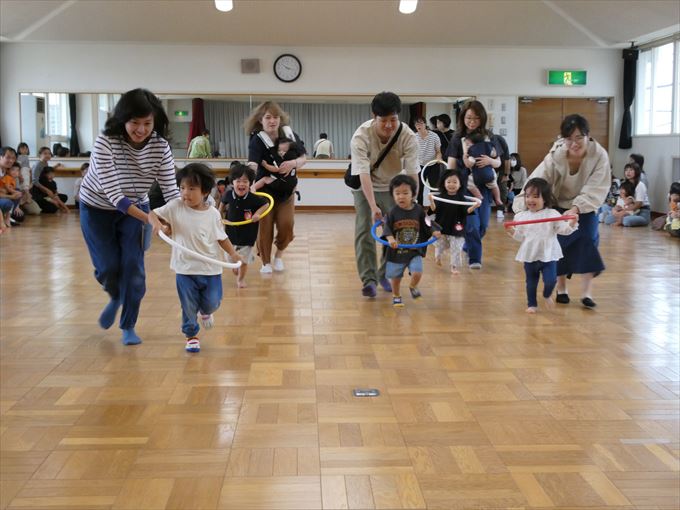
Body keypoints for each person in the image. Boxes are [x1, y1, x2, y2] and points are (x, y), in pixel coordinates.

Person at [79, 88, 180, 346]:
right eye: (135, 122)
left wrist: (185, 219)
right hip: (97, 208)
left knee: (134, 271)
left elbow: (171, 190)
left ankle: (129, 325)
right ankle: (114, 295)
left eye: (147, 123)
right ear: (123, 119)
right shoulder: (106, 142)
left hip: (135, 211)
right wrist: (150, 219)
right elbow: (115, 196)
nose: (141, 129)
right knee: (109, 268)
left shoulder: (160, 147)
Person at [513, 114, 610, 309]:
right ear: (563, 139)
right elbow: (539, 179)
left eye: (579, 138)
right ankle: (561, 288)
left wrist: (576, 208)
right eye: (569, 139)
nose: (574, 143)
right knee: (557, 244)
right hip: (557, 204)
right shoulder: (556, 154)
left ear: (588, 136)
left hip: (586, 205)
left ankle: (586, 293)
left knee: (588, 241)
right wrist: (522, 207)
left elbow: (596, 186)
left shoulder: (599, 155)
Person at [149, 163, 240, 353]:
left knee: (213, 302)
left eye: (192, 188)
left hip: (210, 268)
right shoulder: (175, 206)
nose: (185, 193)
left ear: (205, 191)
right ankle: (191, 335)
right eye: (182, 188)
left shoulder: (213, 214)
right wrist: (159, 225)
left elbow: (221, 238)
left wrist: (233, 255)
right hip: (185, 268)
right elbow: (152, 214)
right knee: (188, 304)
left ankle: (205, 312)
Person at [350, 91, 419, 297]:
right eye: (384, 121)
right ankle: (369, 280)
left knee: (398, 231)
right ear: (374, 117)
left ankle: (384, 273)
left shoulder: (407, 136)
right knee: (364, 231)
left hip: (393, 187)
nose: (389, 125)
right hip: (365, 188)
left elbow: (413, 172)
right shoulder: (361, 136)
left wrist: (412, 203)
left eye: (394, 120)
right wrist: (373, 207)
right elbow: (363, 173)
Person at [244, 101, 306, 274]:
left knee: (287, 225)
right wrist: (248, 182)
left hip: (286, 191)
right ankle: (265, 262)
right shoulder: (257, 140)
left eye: (276, 117)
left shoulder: (289, 135)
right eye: (268, 117)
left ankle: (278, 255)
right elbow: (253, 163)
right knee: (265, 228)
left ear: (281, 119)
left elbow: (303, 158)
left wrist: (293, 163)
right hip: (264, 191)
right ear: (260, 120)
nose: (272, 121)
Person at [444, 100, 503, 269]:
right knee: (471, 225)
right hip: (465, 188)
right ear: (463, 118)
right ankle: (475, 259)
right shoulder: (457, 138)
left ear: (482, 119)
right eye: (468, 118)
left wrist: (490, 160)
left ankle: (468, 246)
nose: (472, 122)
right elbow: (451, 166)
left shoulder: (489, 137)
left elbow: (498, 162)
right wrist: (449, 187)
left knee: (483, 225)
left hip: (484, 187)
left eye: (476, 118)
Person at [506, 178, 578, 314]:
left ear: (544, 198)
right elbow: (521, 237)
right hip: (530, 255)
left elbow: (564, 231)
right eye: (527, 196)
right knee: (531, 282)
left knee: (550, 280)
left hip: (548, 255)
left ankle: (546, 294)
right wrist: (512, 231)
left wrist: (572, 223)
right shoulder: (521, 217)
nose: (530, 200)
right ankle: (532, 304)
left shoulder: (552, 214)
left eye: (535, 196)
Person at [382, 174, 440, 307]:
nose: (401, 196)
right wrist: (390, 238)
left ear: (413, 194)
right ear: (393, 195)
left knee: (417, 272)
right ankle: (396, 295)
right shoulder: (392, 212)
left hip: (414, 250)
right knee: (395, 278)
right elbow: (387, 228)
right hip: (396, 251)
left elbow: (428, 223)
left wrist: (434, 231)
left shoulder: (419, 210)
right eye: (397, 193)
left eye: (405, 193)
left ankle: (413, 286)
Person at [220, 164, 269, 288]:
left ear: (250, 183)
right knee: (230, 258)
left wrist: (258, 214)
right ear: (232, 183)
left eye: (245, 182)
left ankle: (240, 279)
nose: (241, 184)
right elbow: (221, 206)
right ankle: (237, 264)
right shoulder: (228, 194)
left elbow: (266, 205)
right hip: (230, 234)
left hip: (247, 235)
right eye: (238, 181)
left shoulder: (253, 198)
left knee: (243, 261)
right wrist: (219, 217)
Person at [428, 169, 480, 274]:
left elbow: (467, 211)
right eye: (449, 182)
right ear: (444, 183)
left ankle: (454, 267)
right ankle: (438, 256)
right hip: (441, 227)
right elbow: (433, 209)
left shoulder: (462, 198)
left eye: (455, 182)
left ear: (460, 184)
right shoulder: (440, 197)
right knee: (440, 245)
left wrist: (475, 205)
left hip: (457, 228)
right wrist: (431, 200)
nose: (451, 184)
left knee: (456, 247)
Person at [465, 129, 502, 207]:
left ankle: (479, 196)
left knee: (469, 183)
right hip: (490, 173)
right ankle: (498, 199)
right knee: (494, 185)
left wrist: (465, 158)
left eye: (468, 144)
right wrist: (492, 157)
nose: (467, 146)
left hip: (477, 175)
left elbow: (469, 164)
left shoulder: (472, 152)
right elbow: (494, 154)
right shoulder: (488, 148)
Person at [414, 116, 441, 204]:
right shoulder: (414, 137)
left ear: (425, 124)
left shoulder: (434, 136)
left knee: (434, 189)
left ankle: (435, 211)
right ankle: (419, 211)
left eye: (421, 123)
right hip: (420, 166)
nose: (419, 125)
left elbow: (438, 151)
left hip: (433, 165)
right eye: (417, 124)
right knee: (419, 189)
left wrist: (438, 158)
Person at [618, 162, 651, 227]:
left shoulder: (640, 185)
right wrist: (618, 211)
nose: (628, 172)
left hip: (642, 212)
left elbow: (638, 205)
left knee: (626, 221)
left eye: (631, 170)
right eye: (626, 170)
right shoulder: (625, 185)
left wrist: (623, 212)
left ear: (636, 172)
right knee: (608, 219)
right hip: (629, 211)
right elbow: (621, 200)